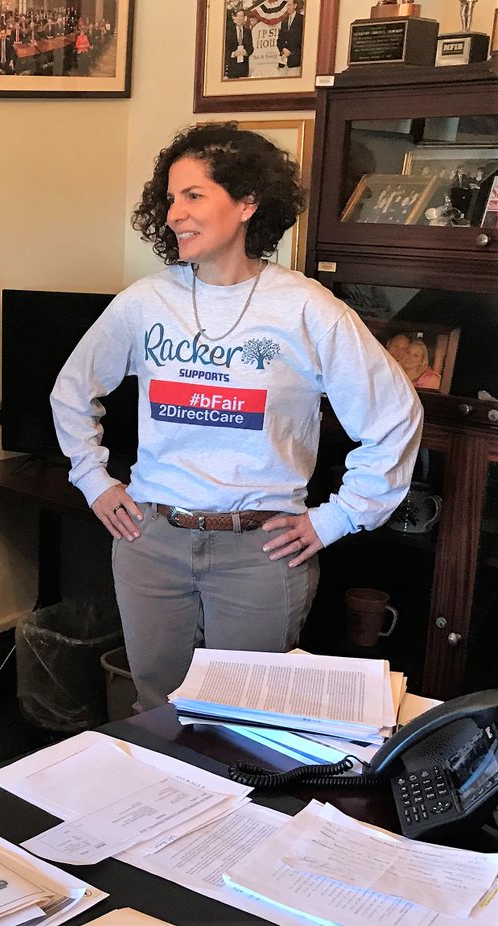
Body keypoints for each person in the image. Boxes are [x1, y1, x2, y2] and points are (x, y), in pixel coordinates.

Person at [50, 123, 423, 710]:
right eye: (169, 198)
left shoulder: (304, 307)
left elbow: (395, 416)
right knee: (155, 709)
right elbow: (71, 391)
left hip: (260, 552)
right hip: (152, 542)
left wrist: (338, 518)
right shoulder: (147, 302)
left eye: (194, 195)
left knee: (248, 718)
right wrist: (93, 479)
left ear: (247, 202)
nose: (175, 213)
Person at [224, 7, 253, 79]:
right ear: (234, 18)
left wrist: (245, 52)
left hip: (244, 66)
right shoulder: (228, 32)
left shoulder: (247, 32)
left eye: (241, 16)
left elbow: (251, 47)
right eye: (238, 16)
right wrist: (233, 53)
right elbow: (225, 48)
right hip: (233, 66)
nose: (239, 18)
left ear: (244, 18)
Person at [275, 0, 303, 71]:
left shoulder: (301, 19)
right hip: (283, 61)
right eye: (287, 5)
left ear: (295, 6)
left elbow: (300, 38)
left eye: (290, 5)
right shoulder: (284, 21)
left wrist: (290, 51)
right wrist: (283, 49)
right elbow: (279, 40)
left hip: (295, 60)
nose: (288, 7)